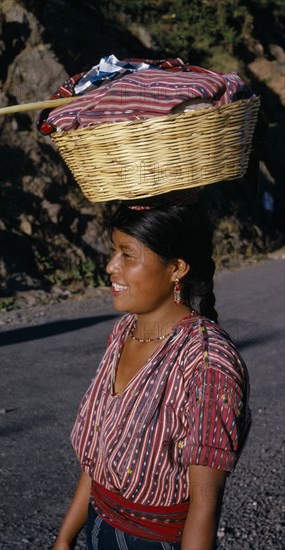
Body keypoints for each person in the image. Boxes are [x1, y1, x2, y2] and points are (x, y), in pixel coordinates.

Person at [53, 192, 251, 550]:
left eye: (127, 255)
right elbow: (101, 451)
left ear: (177, 268)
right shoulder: (125, 331)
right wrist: (66, 537)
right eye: (114, 251)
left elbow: (205, 505)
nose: (111, 266)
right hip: (100, 526)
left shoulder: (208, 365)